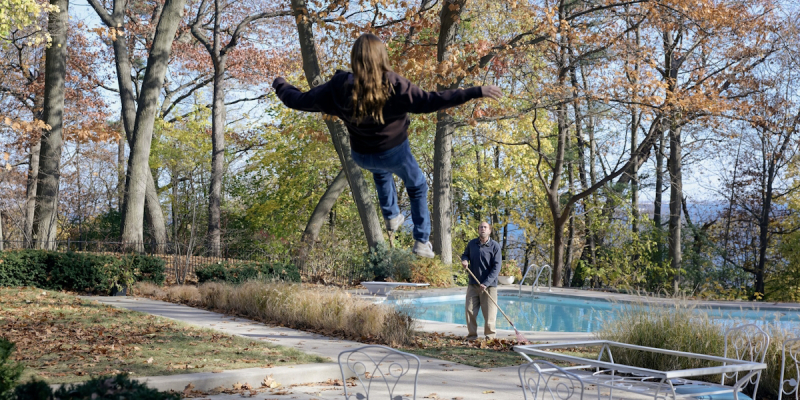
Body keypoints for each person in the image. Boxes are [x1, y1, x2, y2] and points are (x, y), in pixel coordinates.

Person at [272, 33, 502, 258]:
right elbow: (431, 101)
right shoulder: (393, 84)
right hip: (394, 153)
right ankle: (421, 241)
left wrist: (281, 84)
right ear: (381, 57)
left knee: (380, 173)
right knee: (418, 185)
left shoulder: (339, 87)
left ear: (355, 59)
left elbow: (299, 101)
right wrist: (475, 91)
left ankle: (392, 216)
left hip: (361, 155)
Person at [460, 221, 502, 340]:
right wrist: (465, 260)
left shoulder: (495, 246)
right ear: (478, 230)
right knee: (469, 311)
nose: (482, 229)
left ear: (489, 231)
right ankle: (472, 336)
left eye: (485, 227)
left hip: (489, 286)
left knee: (489, 315)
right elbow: (465, 255)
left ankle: (490, 337)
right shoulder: (472, 244)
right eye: (480, 227)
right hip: (473, 284)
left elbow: (496, 267)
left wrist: (486, 283)